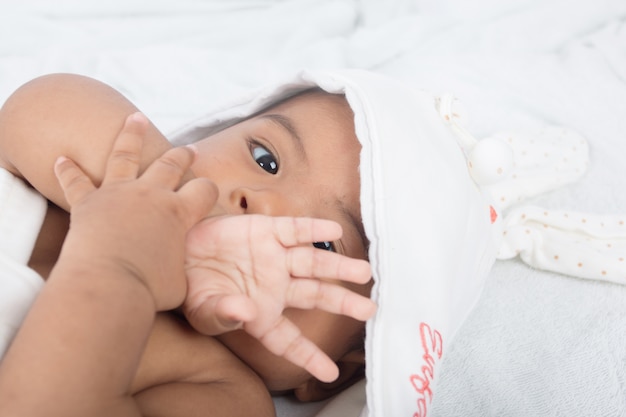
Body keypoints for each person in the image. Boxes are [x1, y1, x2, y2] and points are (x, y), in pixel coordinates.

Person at [0, 73, 376, 416]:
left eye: (323, 244)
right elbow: (40, 106)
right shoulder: (90, 184)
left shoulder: (223, 394)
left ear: (336, 374)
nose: (263, 203)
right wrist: (191, 217)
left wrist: (117, 263)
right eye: (266, 160)